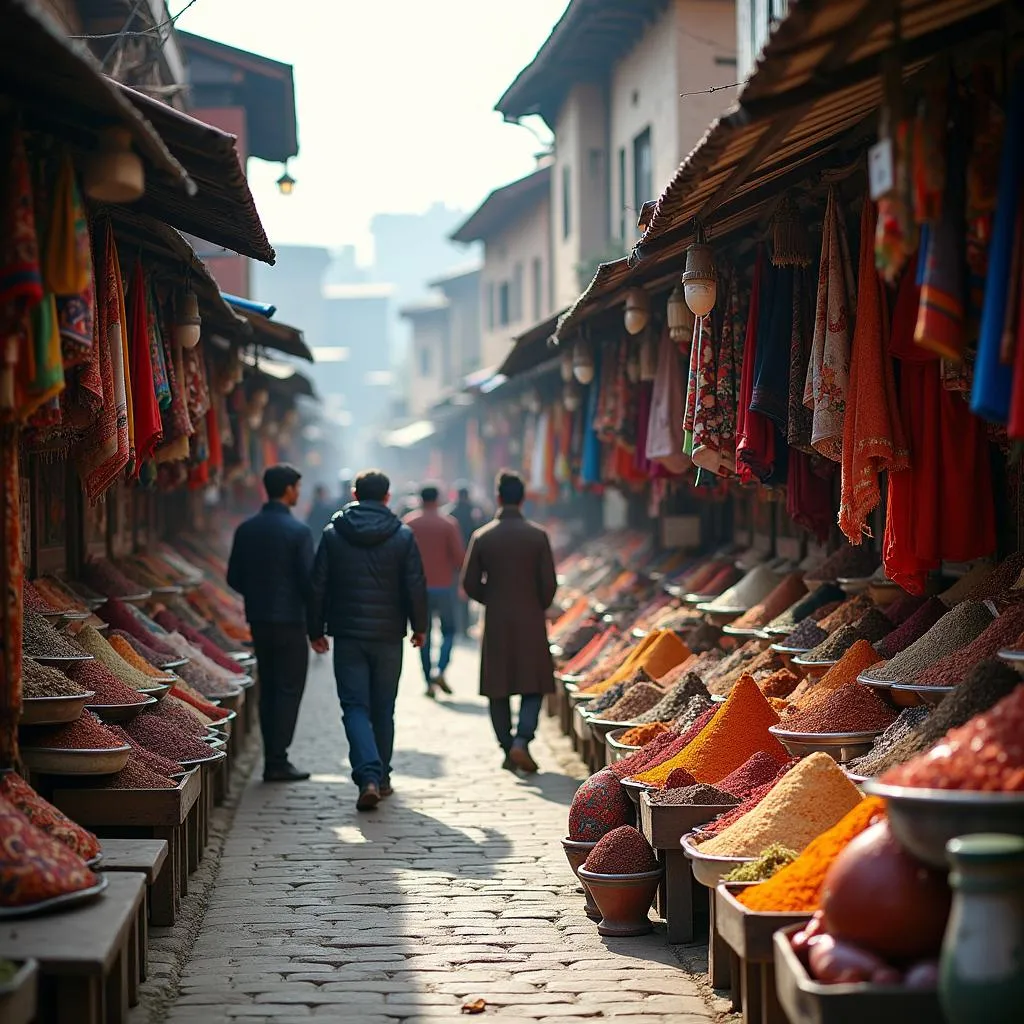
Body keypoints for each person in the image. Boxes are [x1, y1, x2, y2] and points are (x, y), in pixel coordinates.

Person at [307, 469, 428, 811]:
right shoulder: (402, 535)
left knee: (354, 707)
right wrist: (420, 627)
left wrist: (314, 629)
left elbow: (318, 585)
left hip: (348, 635)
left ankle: (369, 776)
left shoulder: (333, 533)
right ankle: (382, 776)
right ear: (387, 497)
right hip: (389, 635)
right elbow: (415, 585)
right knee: (383, 708)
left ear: (354, 494)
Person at [461, 470, 558, 774]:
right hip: (530, 617)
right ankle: (521, 741)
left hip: (497, 620)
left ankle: (507, 747)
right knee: (534, 683)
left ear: (498, 497)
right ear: (523, 498)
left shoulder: (483, 536)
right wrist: (536, 604)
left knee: (498, 686)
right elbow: (549, 584)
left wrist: (491, 599)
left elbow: (469, 583)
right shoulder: (537, 535)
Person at [227, 464, 315, 782]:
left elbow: (233, 577)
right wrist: (316, 625)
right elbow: (309, 584)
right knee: (289, 688)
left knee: (269, 687)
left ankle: (271, 757)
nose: (298, 493)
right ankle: (278, 759)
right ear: (289, 489)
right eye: (297, 487)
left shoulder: (246, 529)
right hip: (291, 622)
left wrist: (258, 595)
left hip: (260, 620)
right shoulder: (299, 532)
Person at [404, 485, 464, 697]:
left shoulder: (409, 523)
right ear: (437, 500)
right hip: (444, 585)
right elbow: (458, 558)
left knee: (423, 634)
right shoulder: (448, 524)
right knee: (449, 631)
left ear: (420, 499)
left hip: (418, 588)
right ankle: (441, 668)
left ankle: (428, 679)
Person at [445, 484, 483, 638]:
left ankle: (456, 625)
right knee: (466, 591)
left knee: (454, 592)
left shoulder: (450, 512)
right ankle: (465, 626)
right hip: (471, 555)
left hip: (453, 558)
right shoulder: (475, 512)